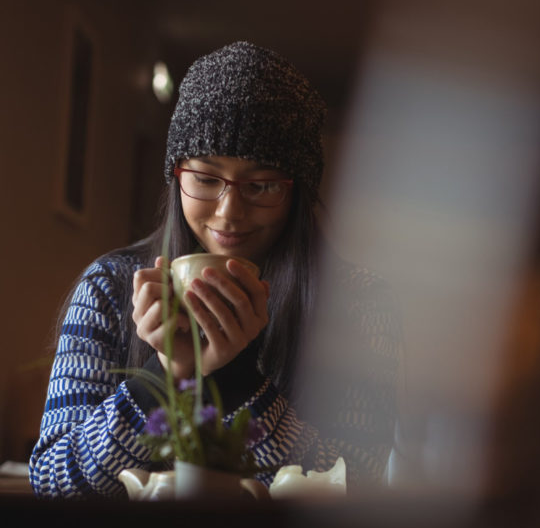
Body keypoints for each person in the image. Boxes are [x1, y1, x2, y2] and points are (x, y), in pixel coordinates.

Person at [30, 41, 402, 498]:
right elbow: (54, 483)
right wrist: (163, 376)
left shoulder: (358, 304)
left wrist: (235, 378)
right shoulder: (110, 287)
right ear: (177, 175)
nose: (229, 213)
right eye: (206, 179)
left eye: (261, 185)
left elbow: (356, 485)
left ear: (297, 191)